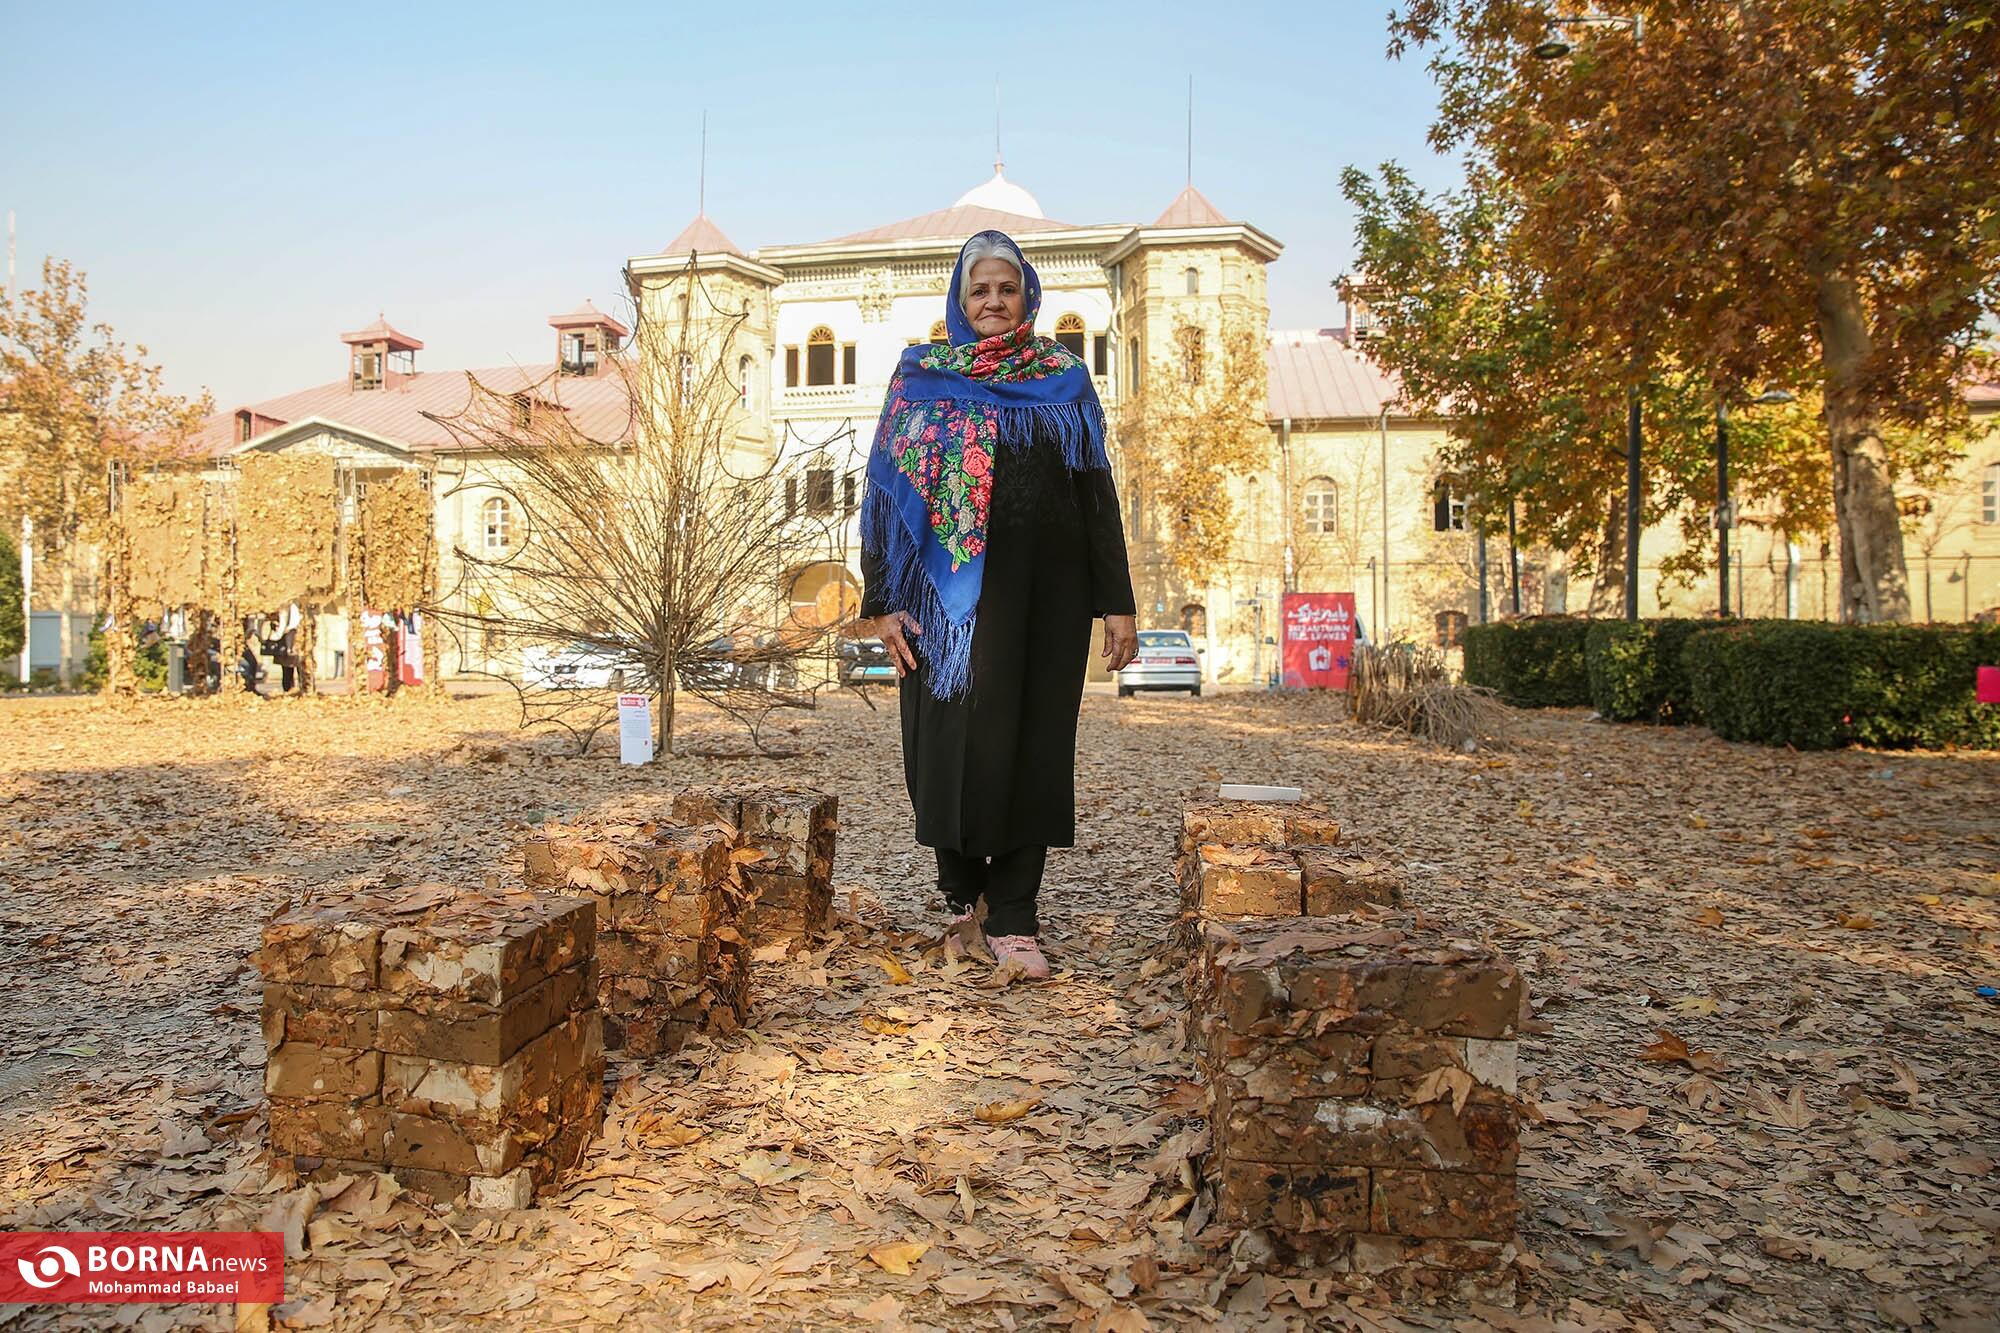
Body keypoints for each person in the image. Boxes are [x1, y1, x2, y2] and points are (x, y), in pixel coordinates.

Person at [857, 230, 1138, 979]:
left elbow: (1096, 492)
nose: (992, 301)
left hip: (1046, 597)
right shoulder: (919, 376)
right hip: (941, 608)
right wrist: (881, 601)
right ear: (960, 298)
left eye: (1006, 288)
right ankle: (961, 896)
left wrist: (1117, 601)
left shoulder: (1063, 377)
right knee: (945, 747)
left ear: (1027, 297)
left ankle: (1014, 913)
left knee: (1032, 746)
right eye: (979, 289)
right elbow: (882, 494)